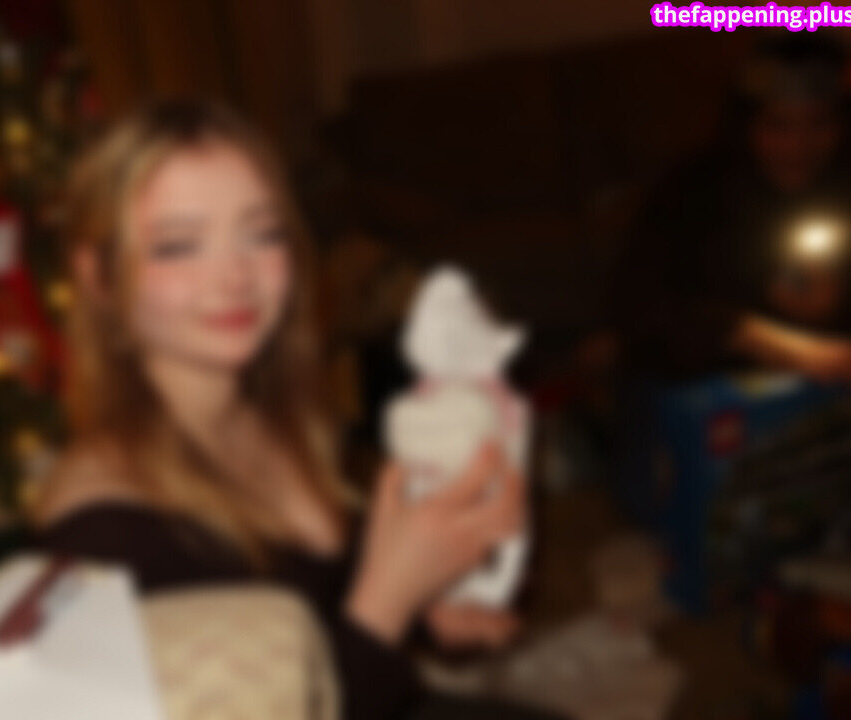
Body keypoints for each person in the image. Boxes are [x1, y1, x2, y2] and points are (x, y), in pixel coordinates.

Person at [27, 100, 544, 719]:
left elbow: (325, 610)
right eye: (178, 246)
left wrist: (429, 605)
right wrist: (388, 598)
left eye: (261, 234)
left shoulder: (268, 417)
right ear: (98, 279)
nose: (235, 276)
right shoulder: (103, 537)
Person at [611, 35, 851, 382]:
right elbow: (638, 304)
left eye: (819, 124)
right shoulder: (692, 189)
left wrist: (841, 302)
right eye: (778, 125)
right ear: (746, 124)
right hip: (715, 385)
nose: (799, 146)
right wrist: (753, 336)